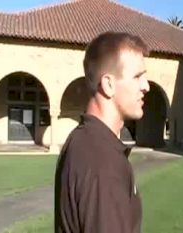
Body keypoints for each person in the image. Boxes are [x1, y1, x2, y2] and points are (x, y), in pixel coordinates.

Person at [54, 32, 150, 233]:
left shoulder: (84, 141)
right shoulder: (101, 160)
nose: (146, 86)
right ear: (108, 84)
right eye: (137, 76)